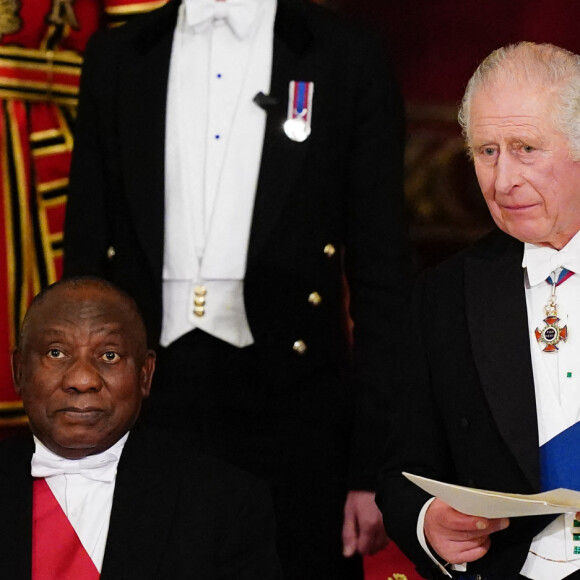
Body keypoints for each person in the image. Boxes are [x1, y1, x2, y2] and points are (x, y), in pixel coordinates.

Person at [62, 0, 407, 577]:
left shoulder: (345, 55)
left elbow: (383, 274)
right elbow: (84, 261)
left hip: (297, 410)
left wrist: (371, 467)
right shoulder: (119, 55)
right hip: (144, 405)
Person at [377, 41, 580, 580]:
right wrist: (429, 522)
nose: (502, 180)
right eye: (487, 151)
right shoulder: (444, 296)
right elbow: (403, 471)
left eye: (525, 148)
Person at [0, 277, 281, 579]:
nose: (82, 380)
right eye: (56, 353)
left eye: (109, 355)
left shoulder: (224, 504)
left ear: (145, 375)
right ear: (19, 371)